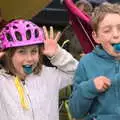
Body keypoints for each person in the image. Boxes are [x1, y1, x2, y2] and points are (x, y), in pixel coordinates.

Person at [0, 19, 78, 120]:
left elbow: (77, 72)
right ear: (8, 55)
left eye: (33, 51)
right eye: (21, 52)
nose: (29, 58)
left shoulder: (48, 76)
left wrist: (58, 55)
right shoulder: (2, 82)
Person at [69, 3, 120, 120]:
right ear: (96, 37)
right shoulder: (87, 63)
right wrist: (90, 87)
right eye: (107, 31)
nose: (116, 35)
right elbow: (76, 112)